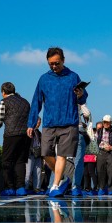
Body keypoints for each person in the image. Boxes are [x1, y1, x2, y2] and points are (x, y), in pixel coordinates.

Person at [27, 47, 87, 198]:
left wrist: (80, 95)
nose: (54, 66)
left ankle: (55, 185)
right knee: (45, 154)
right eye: (51, 64)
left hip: (69, 122)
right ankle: (64, 178)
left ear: (63, 60)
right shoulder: (44, 79)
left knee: (62, 155)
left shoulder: (73, 77)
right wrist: (31, 122)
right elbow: (36, 102)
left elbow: (83, 98)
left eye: (57, 63)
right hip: (49, 122)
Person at [0, 82, 32, 197]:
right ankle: (21, 188)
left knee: (7, 161)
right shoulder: (25, 102)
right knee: (20, 161)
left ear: (3, 92)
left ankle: (9, 188)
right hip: (25, 135)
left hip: (11, 135)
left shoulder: (3, 102)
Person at [95, 115, 112, 195]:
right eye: (104, 122)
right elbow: (95, 142)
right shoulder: (99, 131)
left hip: (111, 152)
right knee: (100, 170)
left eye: (107, 122)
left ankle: (111, 189)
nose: (106, 124)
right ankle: (102, 188)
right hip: (101, 152)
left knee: (111, 171)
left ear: (111, 122)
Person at [72, 100, 92, 197]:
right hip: (77, 129)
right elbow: (87, 113)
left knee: (61, 158)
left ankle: (54, 185)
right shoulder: (78, 99)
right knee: (78, 161)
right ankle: (75, 187)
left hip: (62, 130)